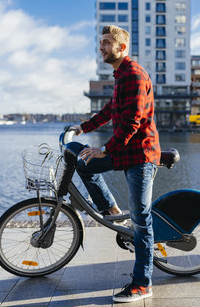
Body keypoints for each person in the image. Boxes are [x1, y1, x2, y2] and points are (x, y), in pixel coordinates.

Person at [66, 25, 160, 303]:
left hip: (141, 156)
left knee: (141, 220)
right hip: (125, 153)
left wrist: (104, 149)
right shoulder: (121, 76)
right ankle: (112, 209)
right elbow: (110, 110)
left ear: (122, 47)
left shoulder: (133, 74)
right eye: (100, 43)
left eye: (106, 43)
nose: (101, 47)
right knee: (81, 160)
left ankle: (143, 284)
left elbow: (132, 122)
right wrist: (82, 128)